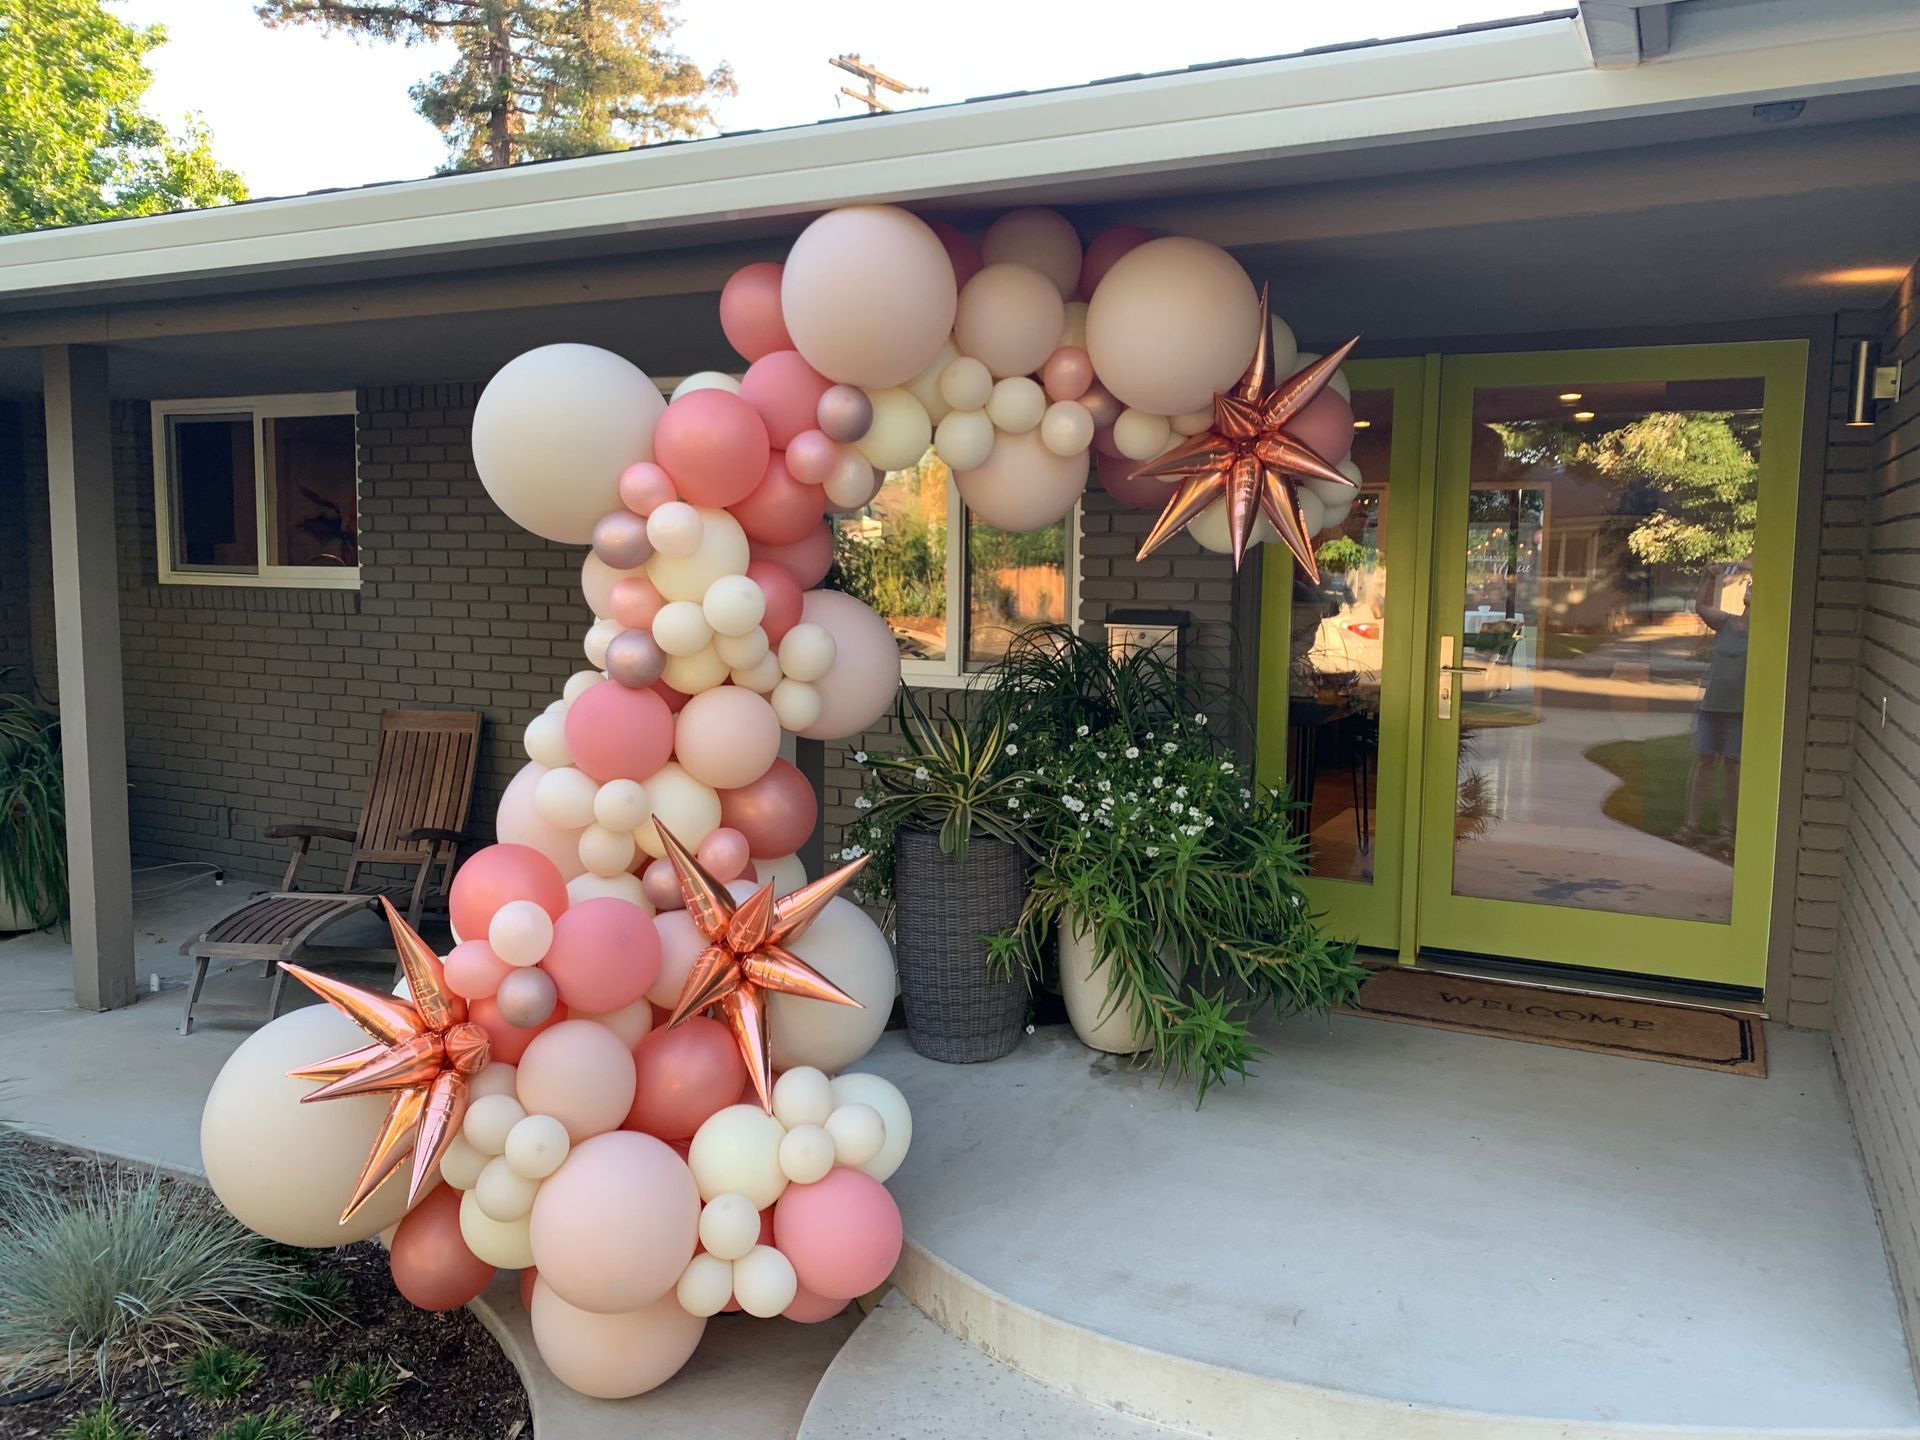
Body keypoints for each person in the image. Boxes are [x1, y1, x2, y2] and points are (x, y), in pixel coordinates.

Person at [1678, 562, 1750, 851]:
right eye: (1749, 587)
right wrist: (1709, 575)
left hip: (1740, 711)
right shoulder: (1727, 622)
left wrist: (1751, 567)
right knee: (1704, 762)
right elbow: (1701, 605)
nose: (1750, 591)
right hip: (1712, 707)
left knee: (1733, 766)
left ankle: (1726, 830)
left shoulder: (1766, 631)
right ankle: (1691, 826)